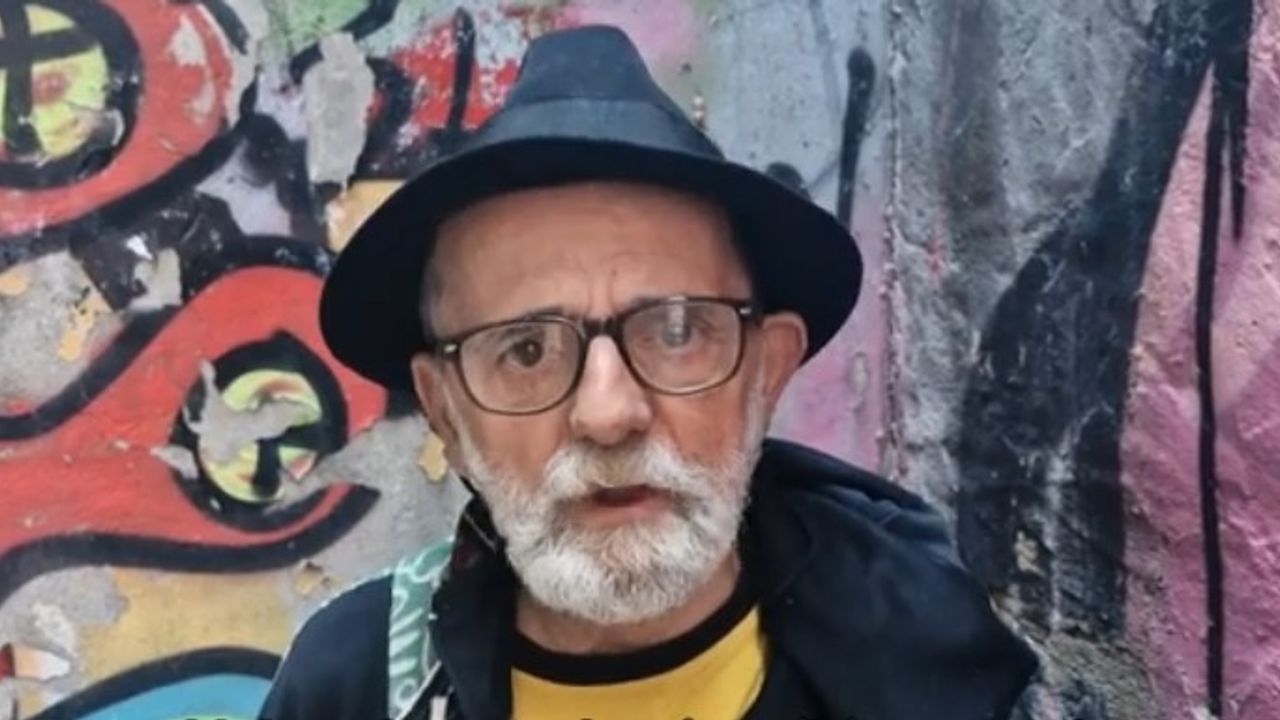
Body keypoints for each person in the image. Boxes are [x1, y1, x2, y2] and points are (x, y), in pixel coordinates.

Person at [259, 24, 1037, 720]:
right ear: (446, 412)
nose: (608, 414)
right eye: (525, 350)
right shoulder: (355, 689)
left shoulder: (926, 673)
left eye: (675, 331)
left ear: (765, 373)